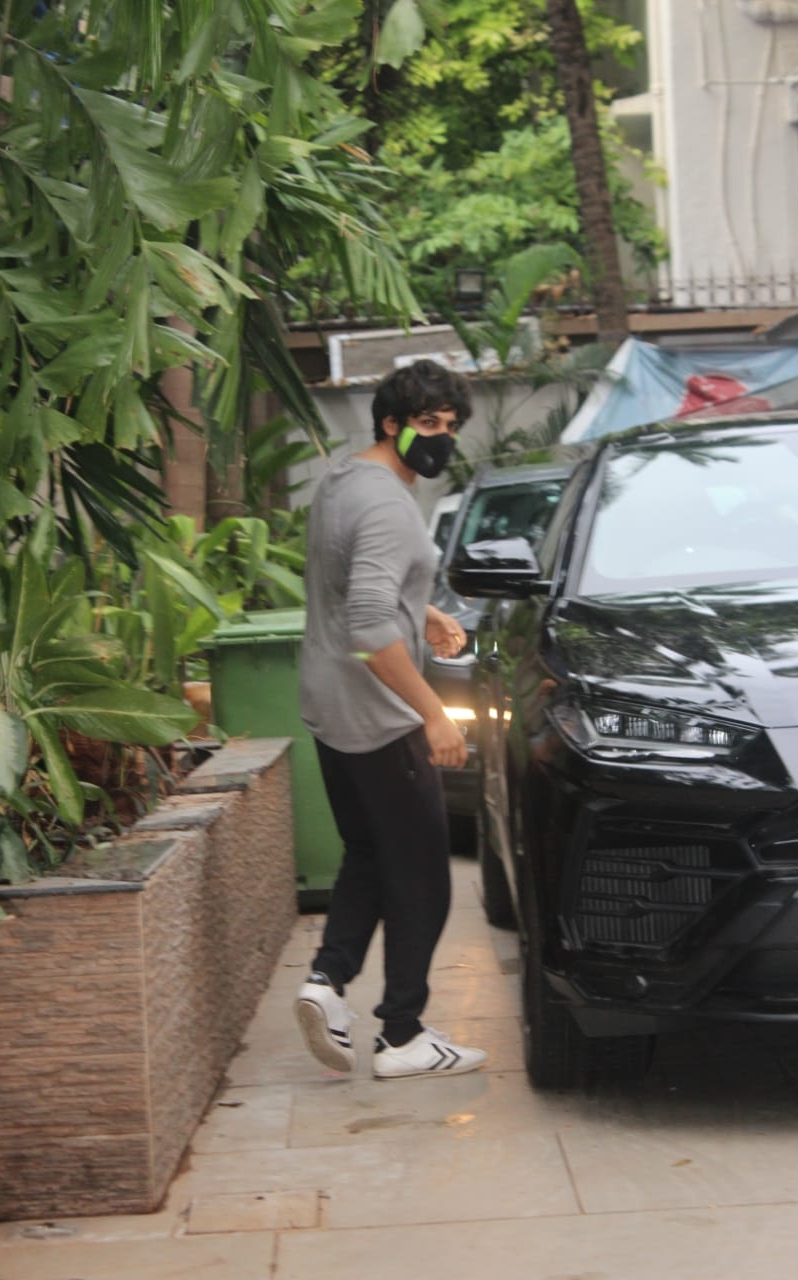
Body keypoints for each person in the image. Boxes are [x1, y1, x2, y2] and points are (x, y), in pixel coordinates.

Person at [294, 358, 488, 1081]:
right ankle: (402, 1034)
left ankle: (325, 983)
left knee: (368, 854)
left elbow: (353, 585)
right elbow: (370, 625)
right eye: (428, 425)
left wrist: (424, 609)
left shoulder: (345, 481)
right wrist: (432, 714)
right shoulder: (388, 506)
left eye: (449, 426)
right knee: (423, 878)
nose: (440, 439)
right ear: (391, 424)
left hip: (328, 704)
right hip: (381, 716)